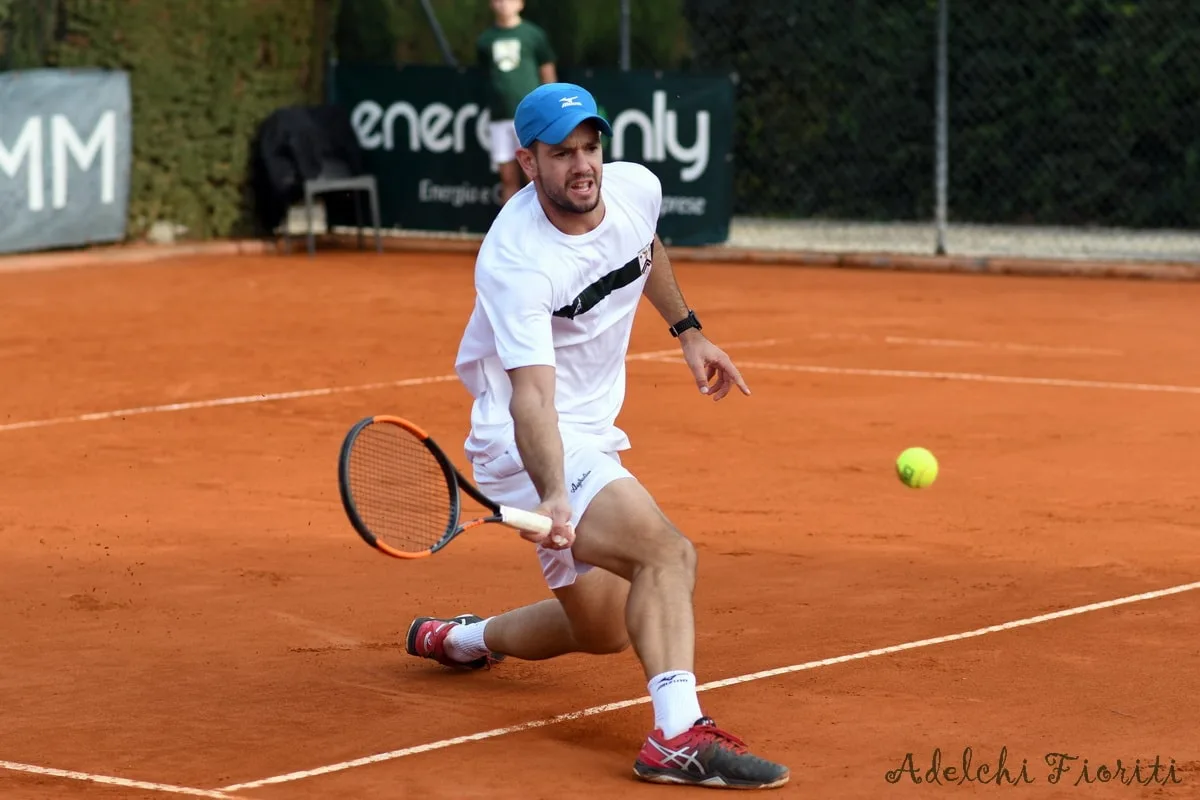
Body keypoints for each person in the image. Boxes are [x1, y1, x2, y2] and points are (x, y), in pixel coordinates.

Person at [405, 82, 790, 790]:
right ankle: (677, 736)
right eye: (561, 154)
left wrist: (689, 333)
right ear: (528, 162)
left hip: (590, 430)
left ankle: (460, 640)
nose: (582, 165)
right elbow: (531, 396)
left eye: (591, 147)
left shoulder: (633, 187)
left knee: (604, 629)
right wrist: (554, 496)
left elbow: (644, 248)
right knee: (667, 555)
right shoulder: (516, 260)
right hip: (523, 438)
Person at [476, 0, 557, 206]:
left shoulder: (533, 35)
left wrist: (551, 107)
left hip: (529, 118)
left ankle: (544, 229)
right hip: (499, 117)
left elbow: (547, 72)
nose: (504, 4)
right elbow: (485, 76)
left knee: (534, 177)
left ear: (520, 4)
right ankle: (509, 232)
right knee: (507, 178)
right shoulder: (485, 40)